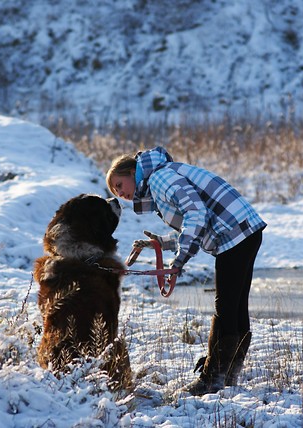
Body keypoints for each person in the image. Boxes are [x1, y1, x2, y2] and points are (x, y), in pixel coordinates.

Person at [106, 146, 266, 396]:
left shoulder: (160, 178)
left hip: (234, 233)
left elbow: (196, 214)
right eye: (115, 191)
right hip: (243, 229)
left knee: (225, 306)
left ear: (131, 172)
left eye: (119, 184)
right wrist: (164, 243)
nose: (120, 193)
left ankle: (213, 378)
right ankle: (228, 373)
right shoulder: (162, 177)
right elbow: (194, 225)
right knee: (234, 305)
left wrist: (179, 261)